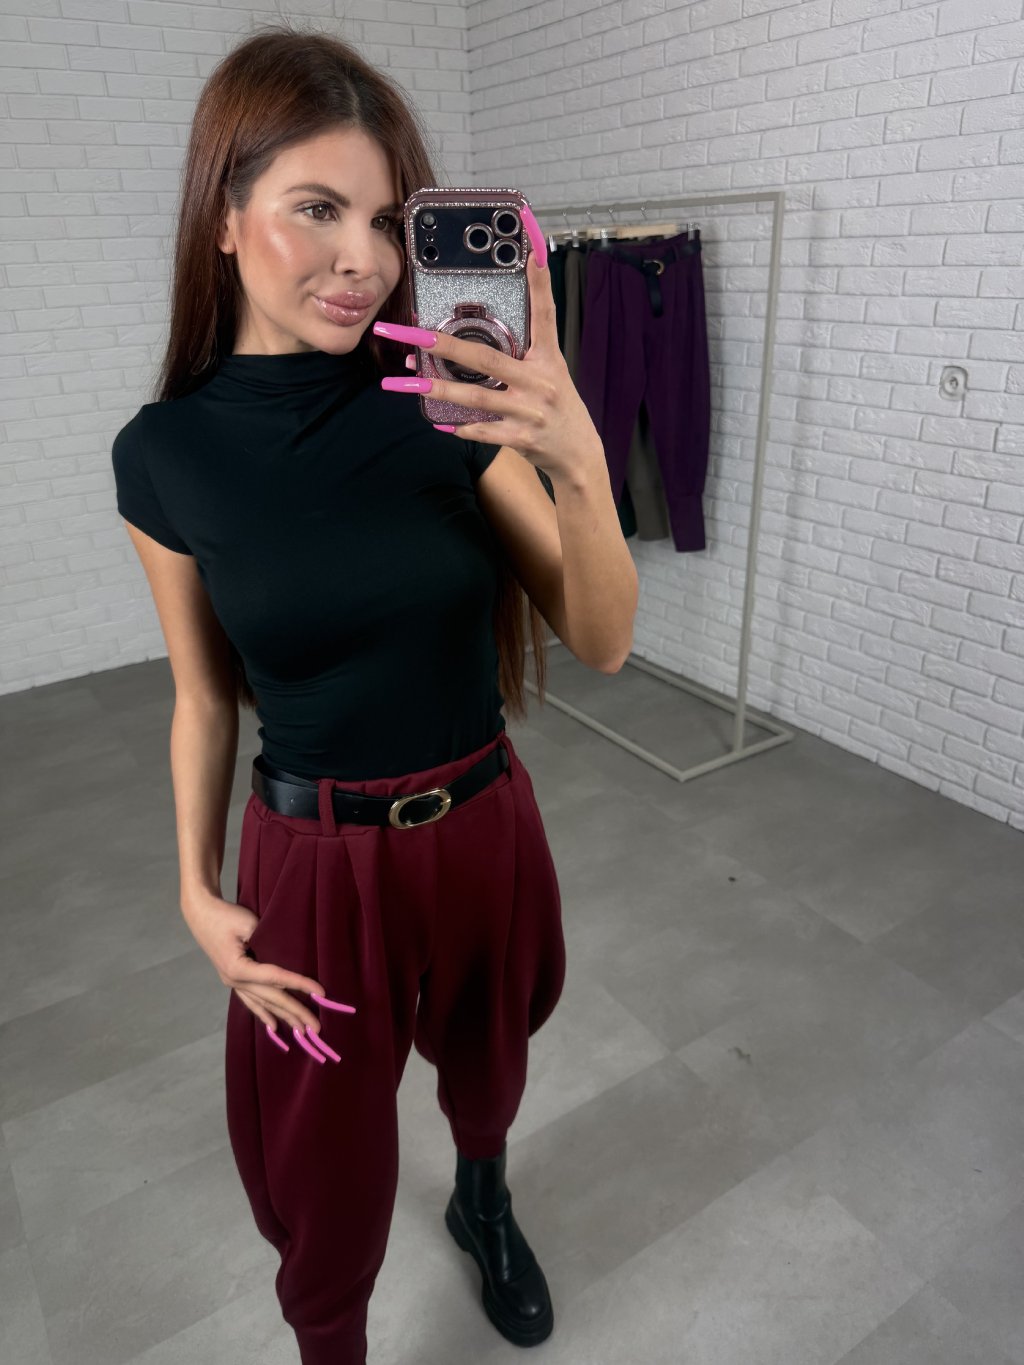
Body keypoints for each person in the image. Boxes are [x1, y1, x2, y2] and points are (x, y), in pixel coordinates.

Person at [110, 24, 636, 1365]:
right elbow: (202, 698)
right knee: (325, 1165)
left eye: (390, 222)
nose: (365, 258)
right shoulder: (165, 457)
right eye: (318, 209)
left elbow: (602, 640)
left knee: (490, 1064)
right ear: (224, 220)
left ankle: (483, 1198)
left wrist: (577, 457)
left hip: (483, 822)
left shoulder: (439, 403)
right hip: (316, 862)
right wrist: (193, 887)